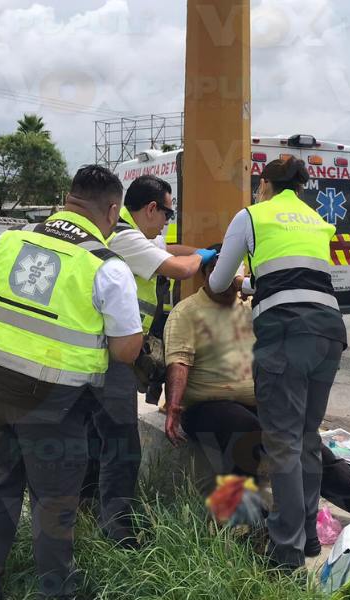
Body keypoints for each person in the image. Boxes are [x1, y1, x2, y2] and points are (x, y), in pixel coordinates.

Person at [0, 165, 143, 600]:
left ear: (69, 199)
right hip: (51, 402)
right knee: (54, 502)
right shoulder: (106, 266)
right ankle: (57, 591)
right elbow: (125, 352)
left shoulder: (10, 241)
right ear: (113, 210)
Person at [163, 250, 350, 523]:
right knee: (246, 431)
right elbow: (179, 361)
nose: (230, 282)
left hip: (255, 402)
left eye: (236, 275)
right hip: (205, 407)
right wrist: (173, 408)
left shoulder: (249, 310)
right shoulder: (187, 312)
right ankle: (240, 518)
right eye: (222, 274)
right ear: (207, 275)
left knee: (300, 437)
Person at [208, 157, 347, 570]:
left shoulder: (251, 216)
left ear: (264, 183)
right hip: (328, 332)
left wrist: (237, 282)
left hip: (286, 334)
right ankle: (305, 538)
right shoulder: (316, 220)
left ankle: (284, 554)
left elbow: (217, 281)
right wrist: (256, 283)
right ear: (301, 187)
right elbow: (297, 274)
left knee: (283, 442)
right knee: (307, 437)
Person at [79, 174, 216, 548]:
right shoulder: (123, 236)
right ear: (151, 208)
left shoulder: (125, 230)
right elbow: (178, 266)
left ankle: (87, 503)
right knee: (122, 443)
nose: (167, 221)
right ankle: (118, 530)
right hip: (114, 354)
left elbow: (168, 247)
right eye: (167, 213)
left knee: (96, 434)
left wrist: (205, 248)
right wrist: (203, 258)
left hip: (97, 348)